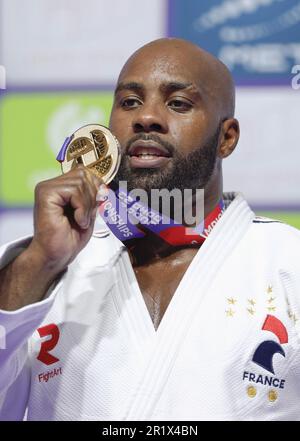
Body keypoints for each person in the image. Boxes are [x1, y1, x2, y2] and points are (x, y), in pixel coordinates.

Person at [0, 38, 299, 421]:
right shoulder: (40, 271)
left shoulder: (288, 264)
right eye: (129, 102)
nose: (147, 118)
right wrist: (39, 264)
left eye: (178, 103)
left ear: (227, 138)